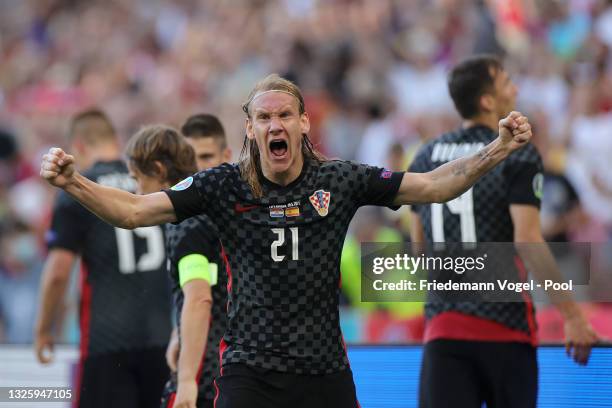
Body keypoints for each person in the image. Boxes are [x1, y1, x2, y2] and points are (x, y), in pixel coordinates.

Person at [40, 74, 533, 408]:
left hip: (324, 371)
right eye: (263, 118)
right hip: (250, 372)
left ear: (303, 123)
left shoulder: (340, 180)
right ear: (250, 130)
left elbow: (435, 186)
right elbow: (132, 211)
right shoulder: (223, 185)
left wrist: (499, 148)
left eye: (284, 115)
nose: (275, 124)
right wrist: (73, 183)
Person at [408, 55, 599, 408]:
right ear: (487, 101)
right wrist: (572, 316)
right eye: (507, 82)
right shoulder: (517, 151)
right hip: (505, 329)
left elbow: (420, 250)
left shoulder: (425, 156)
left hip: (443, 333)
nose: (516, 88)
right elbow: (527, 240)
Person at [34, 109, 172, 408]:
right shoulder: (147, 182)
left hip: (107, 342)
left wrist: (44, 330)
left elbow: (59, 271)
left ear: (79, 146)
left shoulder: (78, 187)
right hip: (162, 341)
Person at [125, 122, 229, 408]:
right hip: (234, 370)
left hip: (205, 375)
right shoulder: (218, 211)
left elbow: (199, 298)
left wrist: (186, 380)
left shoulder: (186, 223)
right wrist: (178, 332)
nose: (137, 189)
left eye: (137, 178)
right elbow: (211, 283)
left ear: (158, 171)